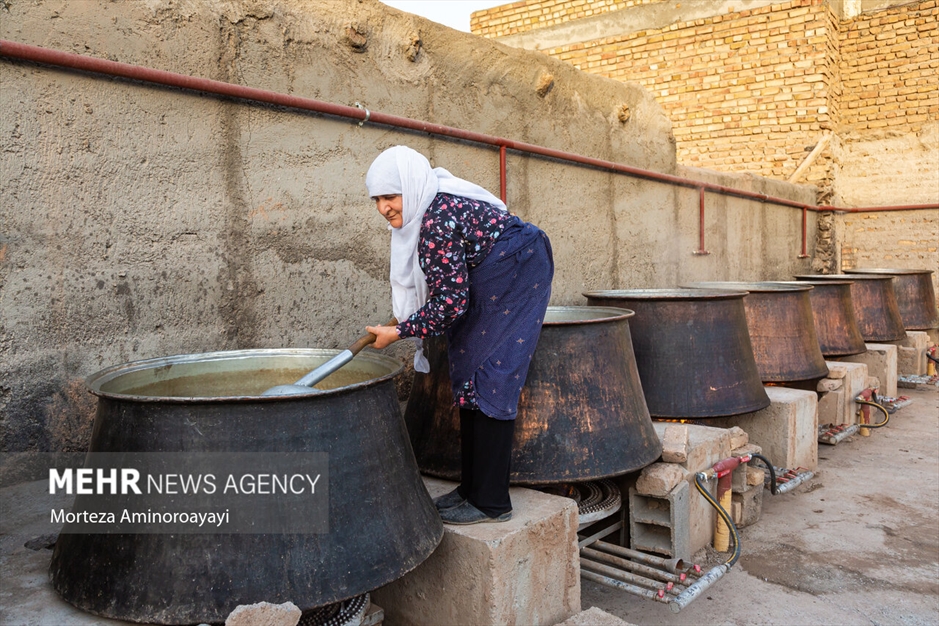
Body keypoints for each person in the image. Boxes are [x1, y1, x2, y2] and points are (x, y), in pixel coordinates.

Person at [364, 145, 553, 525]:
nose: (384, 207)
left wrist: (399, 331)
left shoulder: (435, 221)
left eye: (390, 196)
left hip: (518, 270)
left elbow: (451, 303)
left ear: (411, 189)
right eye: (377, 199)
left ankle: (491, 501)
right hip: (497, 271)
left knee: (492, 375)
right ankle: (471, 489)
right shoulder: (426, 209)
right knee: (468, 371)